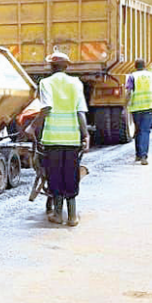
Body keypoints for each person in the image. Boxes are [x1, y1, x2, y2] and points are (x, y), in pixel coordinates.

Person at [33, 51, 89, 226]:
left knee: (55, 176)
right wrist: (85, 134)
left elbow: (46, 108)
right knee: (71, 175)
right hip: (72, 139)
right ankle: (72, 216)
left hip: (52, 139)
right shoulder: (76, 83)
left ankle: (58, 214)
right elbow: (80, 112)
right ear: (67, 66)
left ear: (51, 66)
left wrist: (34, 127)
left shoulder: (46, 83)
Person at [126, 58, 152, 165]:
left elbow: (129, 92)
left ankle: (138, 155)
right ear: (145, 66)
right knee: (145, 131)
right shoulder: (151, 75)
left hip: (136, 108)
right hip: (149, 106)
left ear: (135, 66)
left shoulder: (132, 76)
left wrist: (125, 105)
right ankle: (144, 156)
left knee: (138, 131)